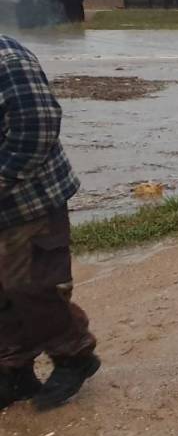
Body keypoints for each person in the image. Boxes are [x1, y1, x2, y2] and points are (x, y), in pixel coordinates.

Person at [0, 35, 99, 412]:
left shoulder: (8, 60)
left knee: (33, 287)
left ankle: (75, 356)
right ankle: (14, 371)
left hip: (30, 203)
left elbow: (37, 131)